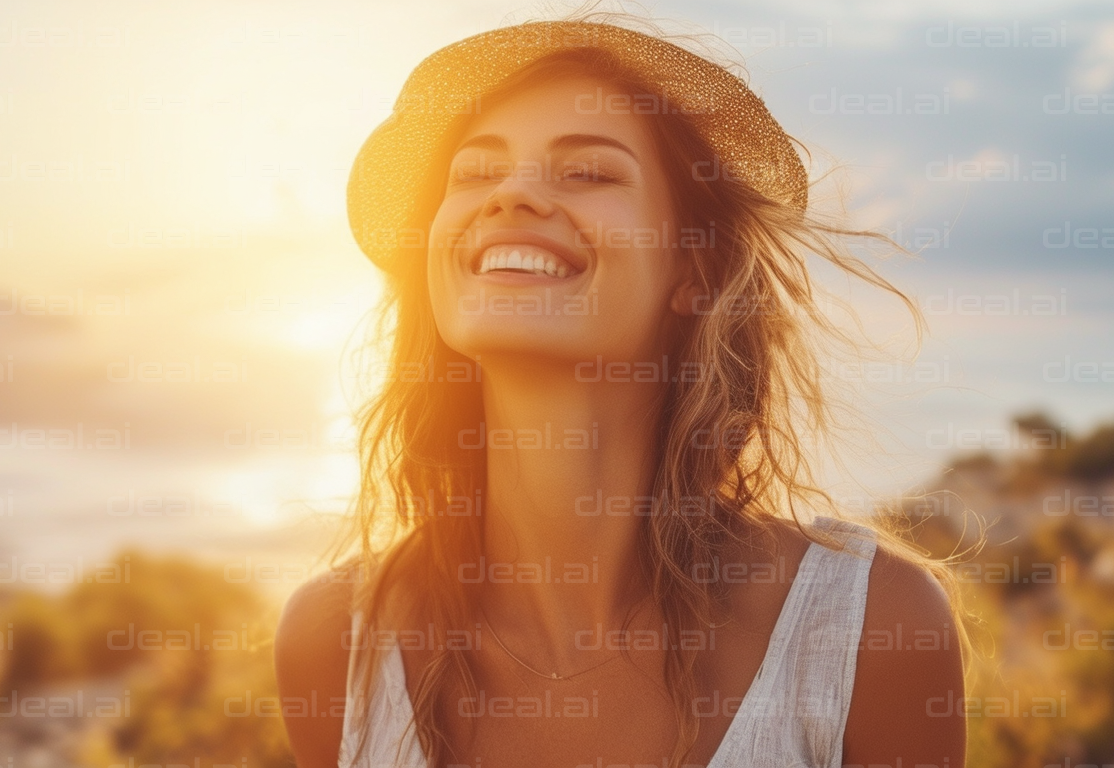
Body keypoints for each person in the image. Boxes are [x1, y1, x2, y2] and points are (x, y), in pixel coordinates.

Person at [276, 13, 969, 768]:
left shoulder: (870, 628)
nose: (510, 195)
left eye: (589, 173)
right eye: (474, 172)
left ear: (694, 270)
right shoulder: (334, 639)